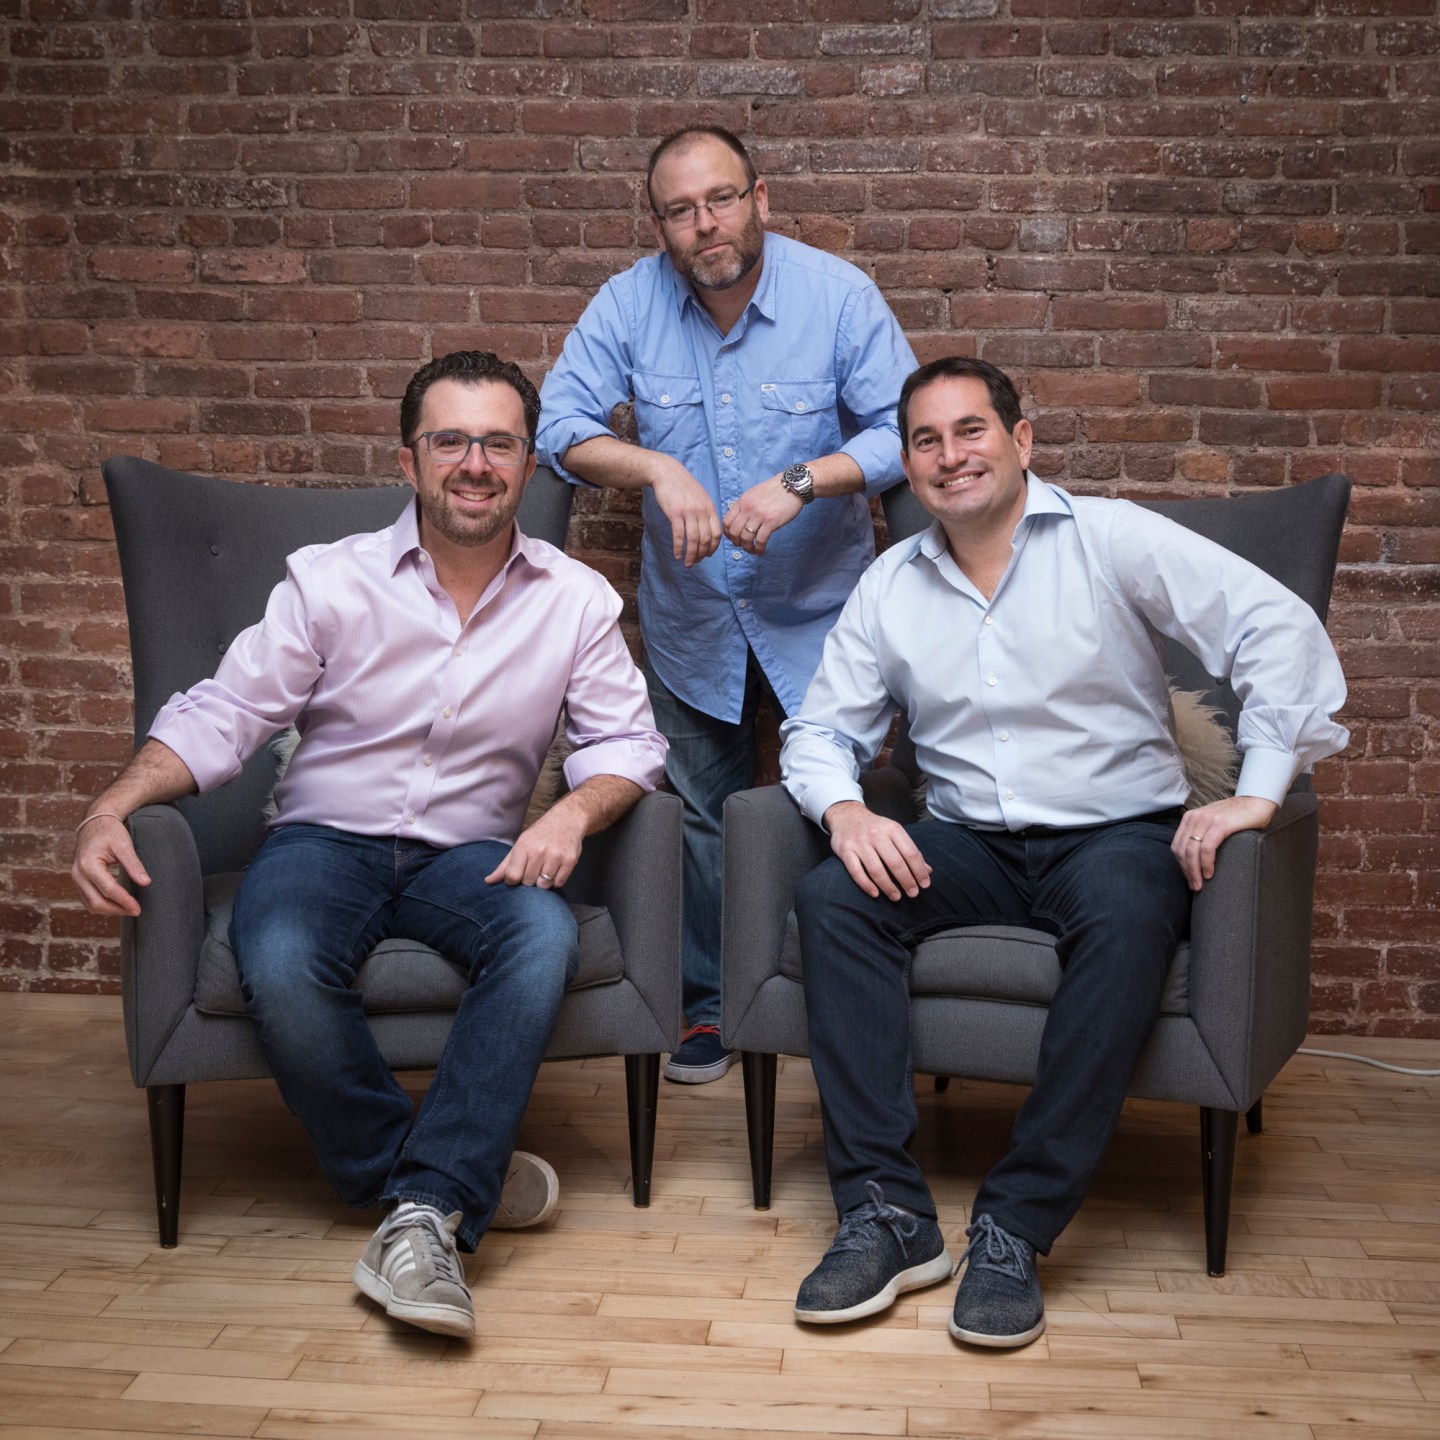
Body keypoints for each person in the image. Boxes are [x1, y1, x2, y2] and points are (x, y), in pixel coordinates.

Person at [70, 351, 668, 1340]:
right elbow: (225, 713)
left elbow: (629, 745)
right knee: (278, 953)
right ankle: (438, 1190)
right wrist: (109, 806)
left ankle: (423, 1197)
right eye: (450, 440)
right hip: (323, 841)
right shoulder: (329, 580)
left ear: (527, 467)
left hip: (471, 853)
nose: (475, 463)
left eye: (499, 444)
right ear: (409, 460)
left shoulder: (576, 600)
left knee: (541, 935)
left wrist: (568, 815)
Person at [779, 356, 1349, 1348]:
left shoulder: (1110, 537)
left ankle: (1015, 1224)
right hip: (967, 841)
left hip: (1114, 835)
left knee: (1128, 918)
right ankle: (888, 1215)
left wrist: (1257, 793)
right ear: (907, 465)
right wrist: (846, 814)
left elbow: (1273, 625)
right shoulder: (889, 585)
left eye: (971, 430)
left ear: (1021, 440)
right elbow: (821, 730)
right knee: (835, 899)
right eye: (926, 440)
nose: (951, 456)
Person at [538, 125, 916, 1083]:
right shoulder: (627, 303)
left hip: (821, 610)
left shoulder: (839, 297)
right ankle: (709, 1010)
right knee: (701, 816)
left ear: (759, 198)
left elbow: (901, 433)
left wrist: (803, 480)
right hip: (693, 613)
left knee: (835, 800)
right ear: (658, 223)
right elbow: (558, 427)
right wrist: (656, 467)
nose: (705, 224)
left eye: (721, 199)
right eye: (680, 210)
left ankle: (829, 999)